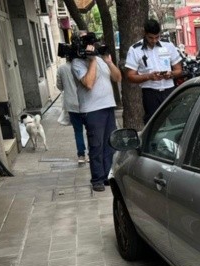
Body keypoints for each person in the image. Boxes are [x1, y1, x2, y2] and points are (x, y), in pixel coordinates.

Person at [72, 32, 122, 192]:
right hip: (92, 110)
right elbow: (88, 83)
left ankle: (108, 175)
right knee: (96, 145)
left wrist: (108, 62)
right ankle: (97, 179)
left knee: (109, 144)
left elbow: (117, 78)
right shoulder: (77, 63)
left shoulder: (100, 59)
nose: (91, 45)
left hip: (108, 106)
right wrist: (92, 59)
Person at [125, 19, 183, 123]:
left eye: (157, 37)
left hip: (169, 90)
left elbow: (179, 70)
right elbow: (130, 76)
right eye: (151, 38)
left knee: (177, 121)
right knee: (154, 124)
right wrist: (149, 76)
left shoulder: (168, 45)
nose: (154, 40)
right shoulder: (135, 50)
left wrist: (171, 74)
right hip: (150, 93)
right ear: (144, 33)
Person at [56, 55, 88, 164]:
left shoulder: (61, 68)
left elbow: (59, 86)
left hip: (71, 104)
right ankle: (91, 152)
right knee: (90, 129)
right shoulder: (83, 65)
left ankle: (81, 155)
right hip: (85, 102)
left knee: (78, 131)